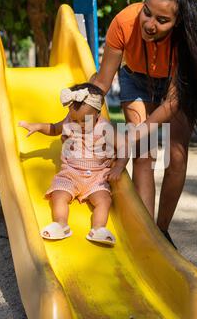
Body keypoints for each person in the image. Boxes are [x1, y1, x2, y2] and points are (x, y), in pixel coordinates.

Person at [90, 0, 197, 248]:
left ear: (178, 23)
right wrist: (84, 100)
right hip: (135, 78)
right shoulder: (124, 21)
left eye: (162, 21)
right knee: (144, 151)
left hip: (175, 90)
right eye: (147, 13)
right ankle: (146, 233)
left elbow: (172, 103)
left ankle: (161, 230)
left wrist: (131, 135)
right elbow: (103, 81)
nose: (149, 24)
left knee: (176, 157)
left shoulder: (186, 43)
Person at [19, 83, 129, 246]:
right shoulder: (70, 121)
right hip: (70, 174)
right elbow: (55, 129)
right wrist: (38, 126)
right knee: (59, 195)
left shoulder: (105, 128)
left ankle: (98, 228)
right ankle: (61, 224)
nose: (79, 124)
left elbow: (124, 146)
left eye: (84, 120)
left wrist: (119, 166)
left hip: (96, 177)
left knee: (104, 200)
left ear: (98, 113)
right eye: (75, 119)